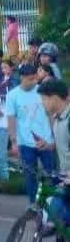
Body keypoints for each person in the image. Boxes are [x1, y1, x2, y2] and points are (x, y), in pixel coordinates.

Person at [6, 64, 56, 203]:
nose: (34, 82)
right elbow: (11, 119)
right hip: (26, 143)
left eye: (35, 78)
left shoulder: (42, 92)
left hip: (46, 141)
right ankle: (33, 204)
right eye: (30, 79)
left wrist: (54, 137)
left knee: (50, 174)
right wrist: (14, 142)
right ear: (22, 77)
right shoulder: (12, 95)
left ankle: (51, 203)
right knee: (30, 176)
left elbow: (50, 114)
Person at [36, 80, 70, 225]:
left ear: (55, 98)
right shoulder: (57, 119)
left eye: (44, 99)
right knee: (54, 218)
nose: (42, 103)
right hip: (65, 179)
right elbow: (64, 144)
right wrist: (48, 145)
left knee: (56, 216)